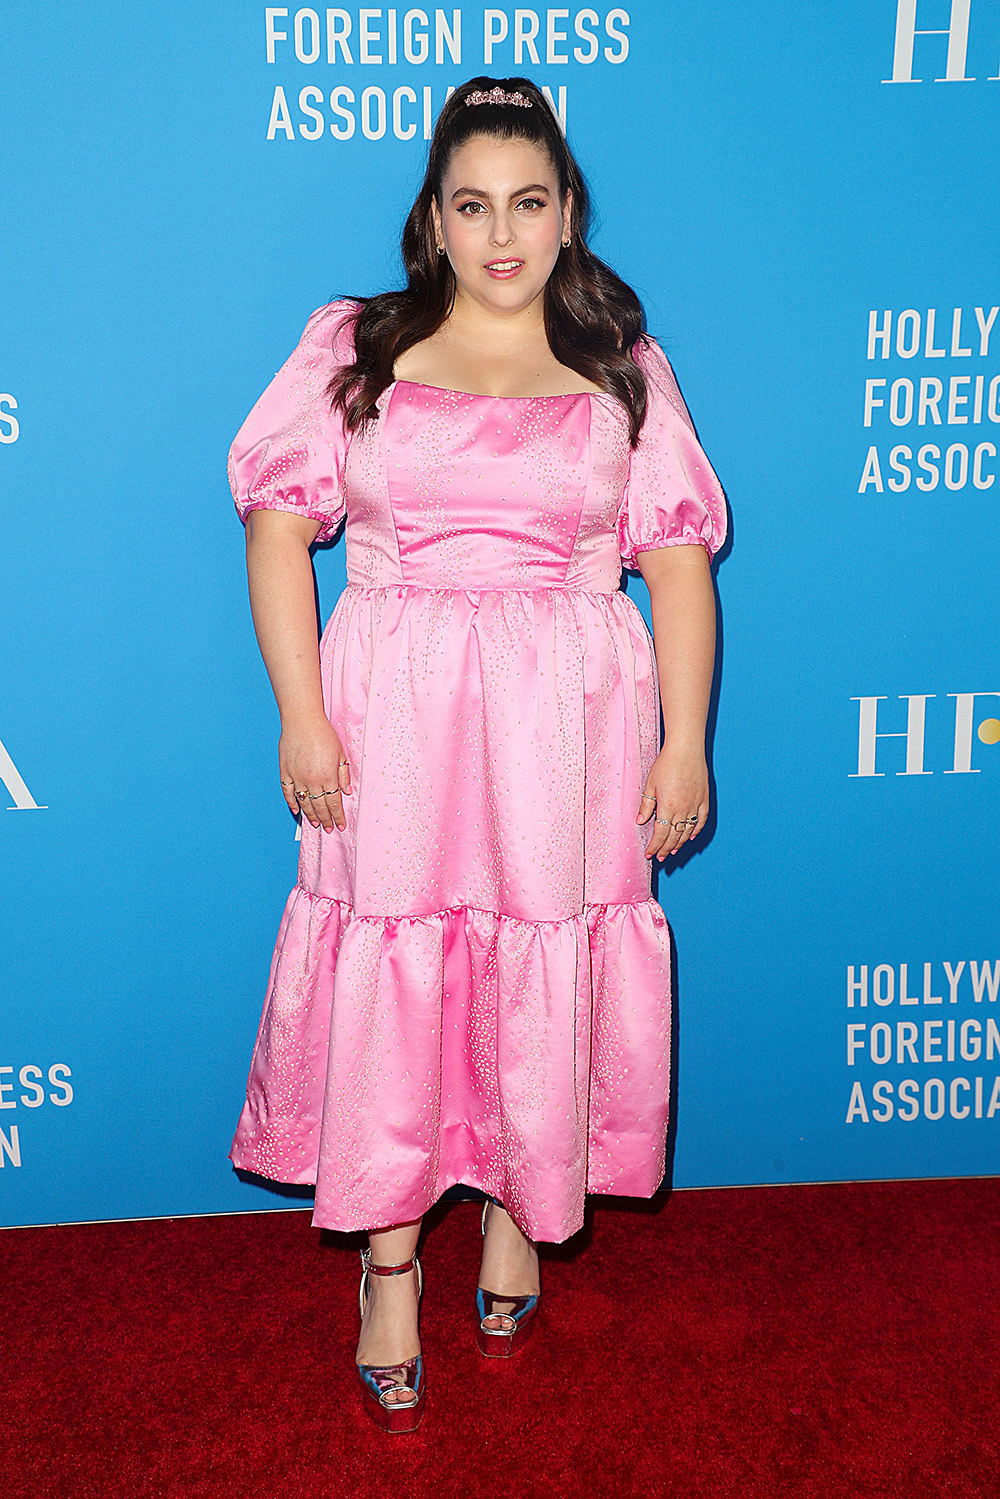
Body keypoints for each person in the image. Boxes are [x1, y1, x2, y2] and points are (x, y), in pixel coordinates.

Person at [227, 76, 726, 1433]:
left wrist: (686, 745)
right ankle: (388, 1271)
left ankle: (522, 1207)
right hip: (392, 712)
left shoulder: (626, 363)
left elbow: (675, 566)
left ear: (568, 214)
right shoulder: (359, 346)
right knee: (396, 955)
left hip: (568, 714)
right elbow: (279, 531)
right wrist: (300, 711)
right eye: (470, 205)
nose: (500, 235)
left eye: (528, 202)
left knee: (542, 946)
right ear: (431, 219)